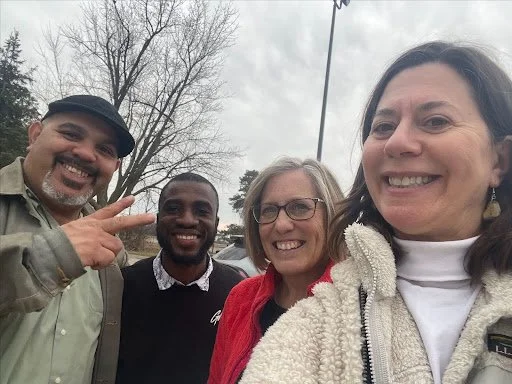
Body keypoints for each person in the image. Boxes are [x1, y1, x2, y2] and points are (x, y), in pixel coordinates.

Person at [240, 41, 512, 384]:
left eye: (435, 121)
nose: (398, 142)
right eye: (383, 126)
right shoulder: (315, 324)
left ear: (500, 160)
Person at [0, 94, 156, 384]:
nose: (86, 154)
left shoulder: (110, 253)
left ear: (114, 168)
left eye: (105, 149)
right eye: (71, 133)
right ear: (35, 135)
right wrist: (53, 256)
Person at [208, 157, 345, 384]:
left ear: (332, 215)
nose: (281, 225)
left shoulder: (359, 307)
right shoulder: (241, 298)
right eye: (268, 210)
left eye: (300, 207)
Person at [116, 172, 244, 384]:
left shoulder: (237, 292)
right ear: (158, 219)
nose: (187, 220)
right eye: (173, 209)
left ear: (216, 222)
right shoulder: (121, 286)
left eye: (202, 211)